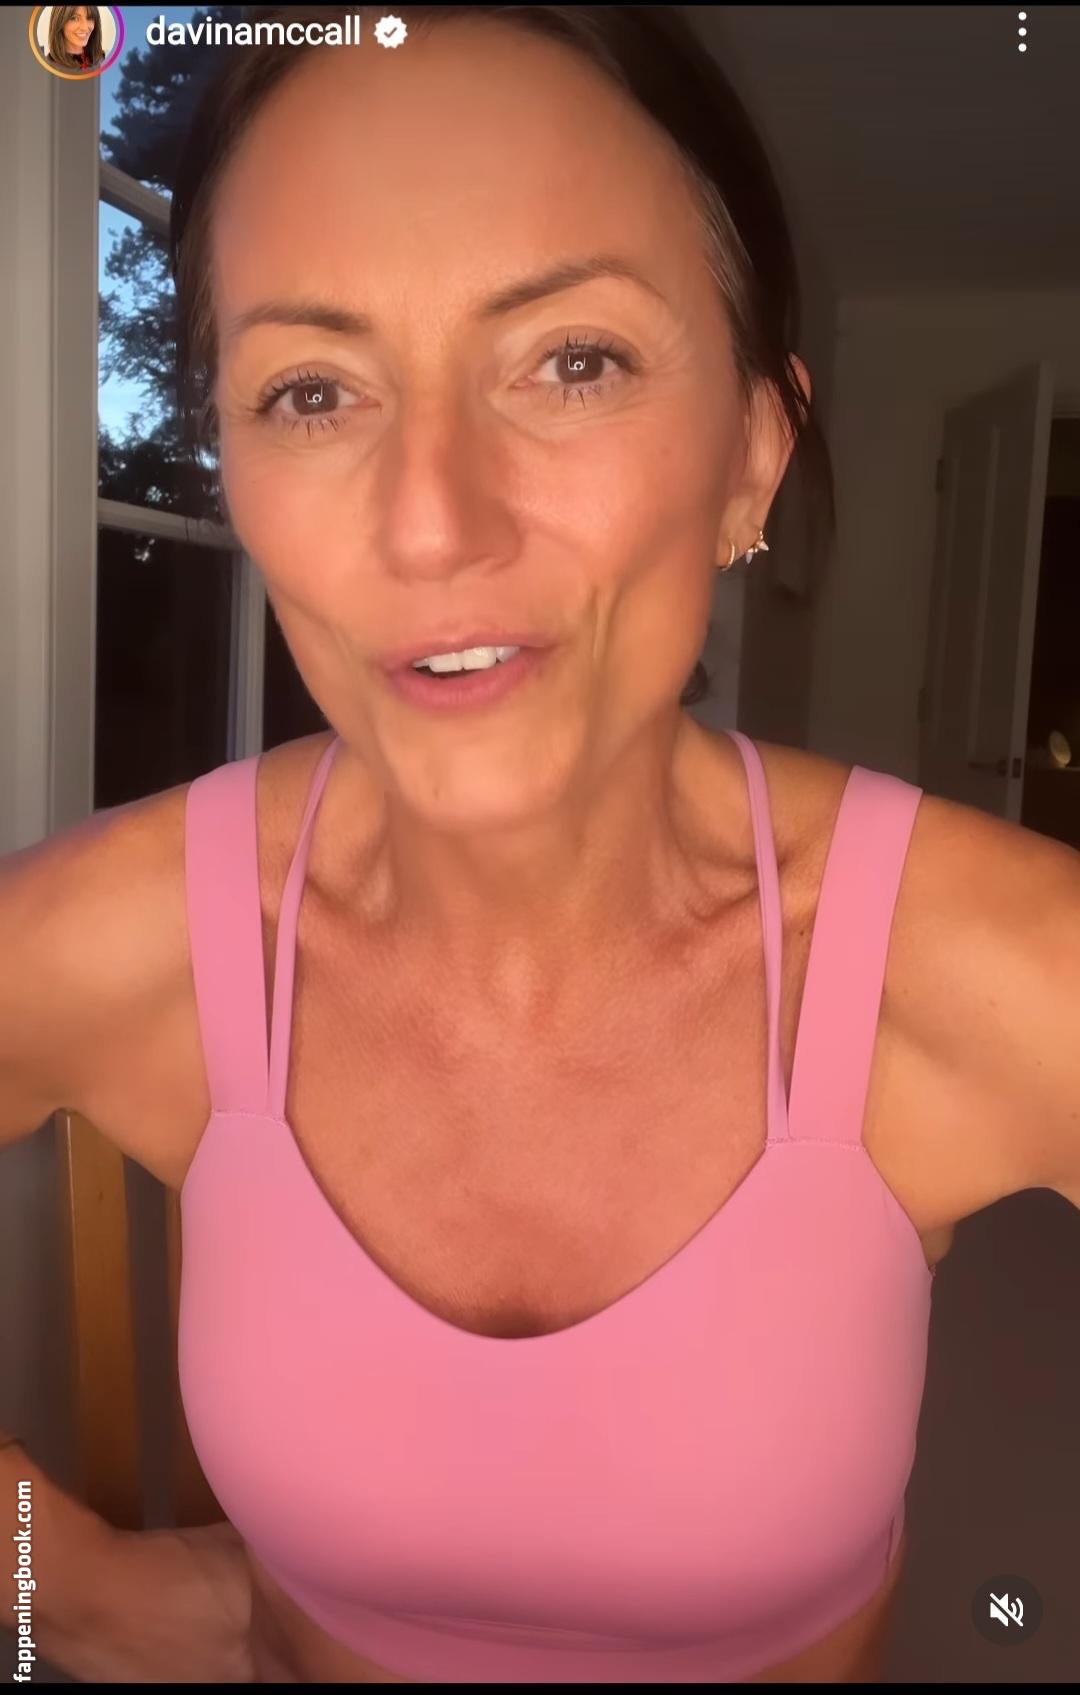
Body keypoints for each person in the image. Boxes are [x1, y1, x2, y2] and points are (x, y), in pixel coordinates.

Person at [3, 3, 1078, 1684]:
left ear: (753, 456)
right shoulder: (122, 937)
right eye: (312, 389)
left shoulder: (992, 966)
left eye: (573, 360)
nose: (434, 520)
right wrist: (57, 1591)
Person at [43, 5, 105, 74]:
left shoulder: (103, 59)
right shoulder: (46, 69)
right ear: (59, 21)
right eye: (74, 18)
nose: (84, 27)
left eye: (90, 18)